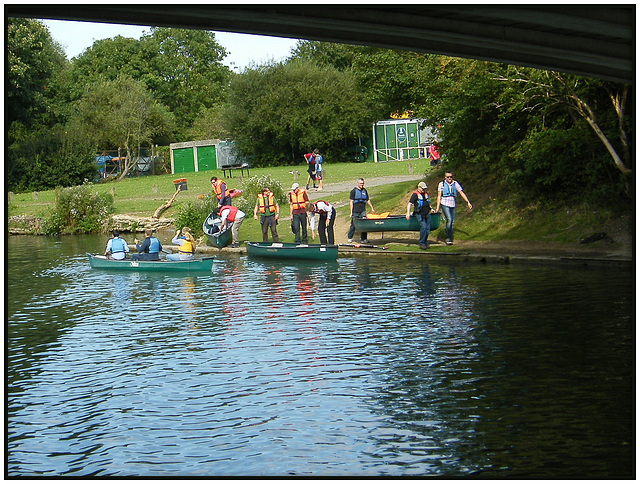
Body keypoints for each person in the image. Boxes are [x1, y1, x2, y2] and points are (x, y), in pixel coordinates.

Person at [435, 172, 473, 245]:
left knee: (452, 222)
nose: (450, 178)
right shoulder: (441, 184)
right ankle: (448, 238)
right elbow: (439, 196)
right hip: (444, 203)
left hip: (452, 204)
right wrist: (437, 207)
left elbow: (461, 192)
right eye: (448, 177)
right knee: (449, 219)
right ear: (445, 177)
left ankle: (448, 232)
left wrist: (467, 202)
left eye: (451, 177)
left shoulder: (455, 183)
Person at [406, 181, 435, 250]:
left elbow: (427, 203)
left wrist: (431, 209)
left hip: (427, 213)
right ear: (419, 187)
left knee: (428, 228)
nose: (424, 190)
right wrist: (408, 213)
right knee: (424, 227)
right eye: (423, 188)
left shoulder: (425, 194)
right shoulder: (415, 195)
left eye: (424, 189)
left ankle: (425, 241)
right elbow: (410, 204)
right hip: (419, 214)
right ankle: (422, 243)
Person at [347, 178, 375, 244]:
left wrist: (372, 208)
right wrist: (351, 212)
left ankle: (363, 239)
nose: (362, 185)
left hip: (363, 210)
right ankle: (350, 237)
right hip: (356, 210)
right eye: (360, 183)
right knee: (353, 225)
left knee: (364, 225)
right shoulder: (353, 191)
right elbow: (351, 202)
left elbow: (368, 200)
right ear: (357, 183)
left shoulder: (364, 191)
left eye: (362, 183)